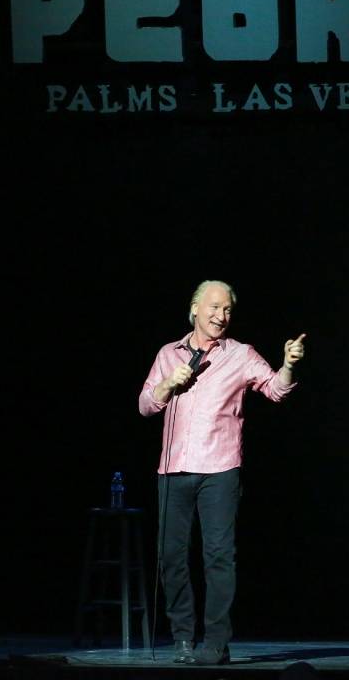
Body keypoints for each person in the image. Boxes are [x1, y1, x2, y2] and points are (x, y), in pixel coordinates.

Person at [138, 280, 305, 665]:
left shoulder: (241, 354)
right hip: (173, 469)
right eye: (214, 307)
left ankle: (216, 642)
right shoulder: (168, 354)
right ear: (195, 308)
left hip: (220, 469)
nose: (221, 315)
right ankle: (182, 638)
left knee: (218, 557)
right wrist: (168, 383)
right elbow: (145, 405)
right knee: (171, 557)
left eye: (227, 309)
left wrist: (289, 365)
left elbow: (275, 389)